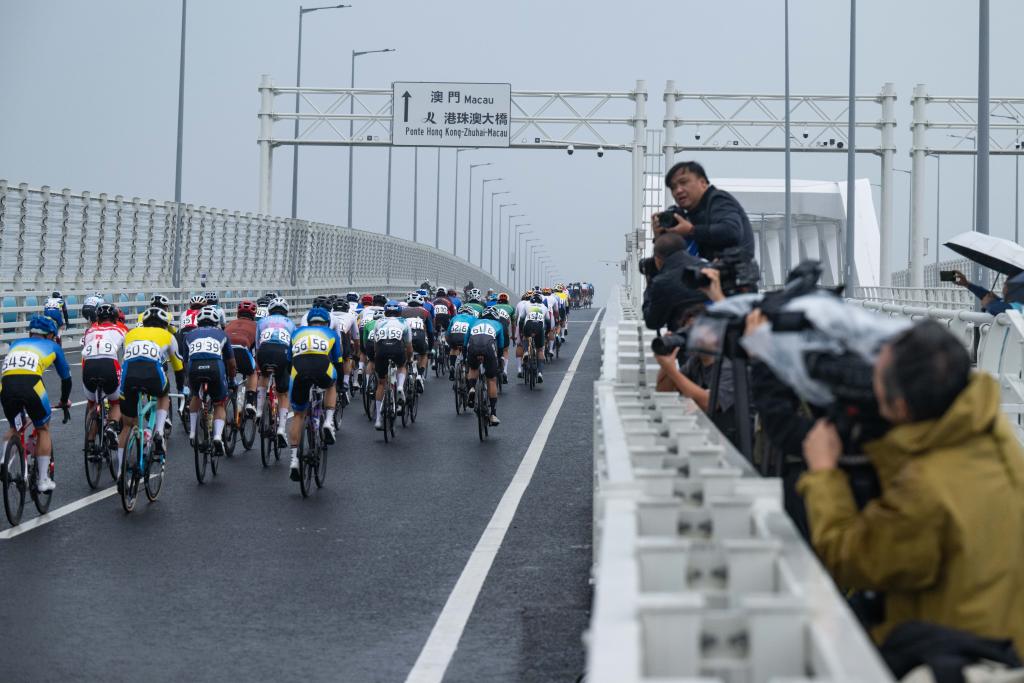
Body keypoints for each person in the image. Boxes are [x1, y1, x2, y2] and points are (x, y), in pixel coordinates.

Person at [798, 320, 1024, 653]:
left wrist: (823, 473)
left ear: (901, 408)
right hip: (1005, 640)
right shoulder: (995, 436)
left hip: (952, 658)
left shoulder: (924, 488)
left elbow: (848, 559)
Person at [1, 315, 72, 492]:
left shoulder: (16, 343)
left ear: (31, 332)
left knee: (15, 427)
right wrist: (64, 401)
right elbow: (66, 378)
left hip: (6, 385)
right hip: (32, 385)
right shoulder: (53, 346)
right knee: (43, 429)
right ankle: (43, 480)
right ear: (50, 335)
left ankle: (3, 461)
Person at [118, 307, 185, 478]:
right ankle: (159, 432)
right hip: (152, 374)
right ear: (164, 324)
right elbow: (178, 367)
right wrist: (181, 388)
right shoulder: (168, 335)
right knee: (163, 394)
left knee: (127, 425)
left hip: (128, 376)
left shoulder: (131, 333)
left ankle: (120, 472)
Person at [653, 160, 755, 261]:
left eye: (683, 182)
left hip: (734, 269)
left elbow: (732, 231)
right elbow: (669, 264)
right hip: (707, 270)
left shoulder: (718, 199)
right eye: (673, 187)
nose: (678, 190)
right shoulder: (687, 215)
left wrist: (691, 230)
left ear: (703, 183)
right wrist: (659, 238)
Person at [286, 307, 343, 479]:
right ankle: (329, 422)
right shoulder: (331, 334)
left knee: (298, 415)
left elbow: (289, 362)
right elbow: (338, 361)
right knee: (332, 384)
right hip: (322, 368)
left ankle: (294, 460)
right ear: (327, 323)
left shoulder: (296, 333)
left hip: (299, 370)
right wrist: (339, 384)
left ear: (309, 322)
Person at [183, 306, 236, 455]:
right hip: (215, 368)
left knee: (196, 396)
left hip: (194, 368)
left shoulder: (189, 335)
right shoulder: (222, 334)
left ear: (198, 322)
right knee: (219, 403)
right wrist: (231, 380)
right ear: (216, 322)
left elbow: (185, 362)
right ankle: (218, 436)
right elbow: (231, 363)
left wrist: (189, 380)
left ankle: (193, 432)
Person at [81, 302, 127, 444]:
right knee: (116, 403)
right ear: (115, 318)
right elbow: (126, 354)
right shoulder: (121, 329)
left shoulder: (89, 331)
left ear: (98, 318)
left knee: (92, 404)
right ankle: (112, 426)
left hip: (88, 367)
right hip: (109, 365)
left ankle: (90, 442)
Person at [642, 233, 707, 331]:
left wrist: (650, 285)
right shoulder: (706, 266)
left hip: (685, 335)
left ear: (658, 259)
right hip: (716, 328)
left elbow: (652, 322)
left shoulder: (662, 283)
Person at [255, 297, 295, 446]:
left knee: (264, 375)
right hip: (282, 352)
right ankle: (281, 429)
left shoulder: (261, 322)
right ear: (286, 311)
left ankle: (259, 410)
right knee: (283, 393)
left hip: (264, 351)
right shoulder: (290, 323)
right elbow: (293, 347)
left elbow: (257, 345)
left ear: (269, 311)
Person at [370, 301, 412, 431]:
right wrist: (409, 358)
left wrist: (377, 356)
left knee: (381, 384)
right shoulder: (404, 322)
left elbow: (375, 343)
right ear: (399, 311)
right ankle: (399, 386)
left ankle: (378, 419)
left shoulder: (379, 322)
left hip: (381, 351)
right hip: (397, 349)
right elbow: (409, 345)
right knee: (401, 366)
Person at [464, 307, 504, 426]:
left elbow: (466, 342)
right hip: (488, 347)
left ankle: (472, 388)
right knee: (491, 379)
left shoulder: (474, 322)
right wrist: (498, 359)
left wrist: (466, 357)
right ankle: (493, 413)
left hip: (473, 345)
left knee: (473, 368)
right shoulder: (498, 324)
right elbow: (501, 345)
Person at [225, 300, 259, 416]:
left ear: (238, 313)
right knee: (252, 372)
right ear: (253, 315)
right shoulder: (256, 325)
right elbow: (256, 348)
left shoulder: (230, 324)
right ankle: (250, 402)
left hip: (226, 351)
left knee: (225, 372)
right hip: (242, 349)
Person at [401, 292, 433, 393]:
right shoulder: (425, 312)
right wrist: (430, 348)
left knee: (404, 357)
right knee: (423, 354)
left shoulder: (402, 311)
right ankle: (420, 375)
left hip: (406, 337)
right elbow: (430, 331)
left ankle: (403, 378)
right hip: (420, 336)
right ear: (421, 302)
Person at [446, 304, 479, 382]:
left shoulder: (454, 317)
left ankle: (452, 365)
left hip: (454, 336)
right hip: (465, 337)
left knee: (453, 348)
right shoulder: (474, 318)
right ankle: (466, 364)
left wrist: (450, 344)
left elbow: (448, 333)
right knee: (469, 350)